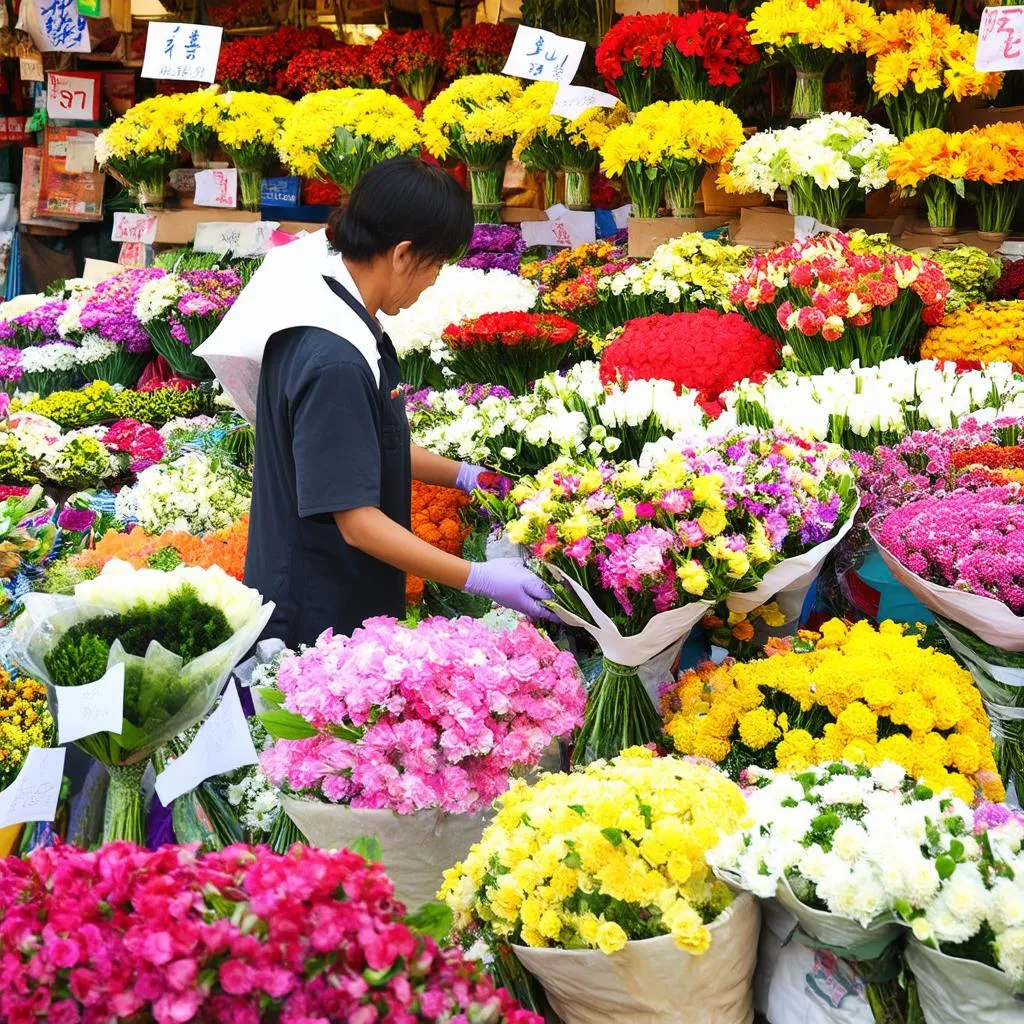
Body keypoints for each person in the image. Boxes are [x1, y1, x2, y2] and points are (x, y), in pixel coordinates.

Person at [243, 157, 557, 649]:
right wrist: (478, 577)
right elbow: (359, 525)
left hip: (341, 598)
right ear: (404, 254)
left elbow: (358, 446)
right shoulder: (334, 359)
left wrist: (469, 476)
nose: (433, 282)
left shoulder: (335, 307)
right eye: (435, 266)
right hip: (317, 617)